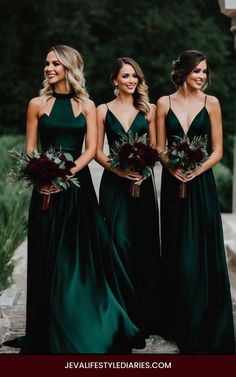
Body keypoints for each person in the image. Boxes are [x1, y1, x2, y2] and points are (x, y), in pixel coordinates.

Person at [19, 45, 141, 353]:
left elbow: (90, 149)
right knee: (48, 257)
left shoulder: (87, 105)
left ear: (70, 68)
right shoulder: (36, 104)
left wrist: (65, 173)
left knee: (73, 260)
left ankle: (78, 324)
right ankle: (46, 328)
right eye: (46, 63)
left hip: (76, 189)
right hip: (44, 190)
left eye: (56, 64)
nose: (49, 68)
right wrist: (41, 177)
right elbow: (31, 150)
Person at [156, 49, 235, 353]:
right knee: (177, 246)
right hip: (173, 184)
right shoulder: (164, 103)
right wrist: (174, 167)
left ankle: (205, 317)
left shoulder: (211, 103)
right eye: (197, 71)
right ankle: (178, 318)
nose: (202, 77)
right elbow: (160, 146)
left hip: (201, 184)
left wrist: (195, 170)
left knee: (201, 246)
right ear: (184, 72)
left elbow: (217, 150)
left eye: (205, 72)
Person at [96, 57, 161, 340]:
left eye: (135, 76)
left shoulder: (150, 110)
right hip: (114, 183)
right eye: (125, 76)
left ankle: (143, 316)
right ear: (114, 81)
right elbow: (97, 150)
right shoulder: (102, 110)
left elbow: (157, 146)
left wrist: (146, 170)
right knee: (117, 242)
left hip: (142, 184)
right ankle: (119, 315)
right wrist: (120, 171)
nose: (131, 81)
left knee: (143, 245)